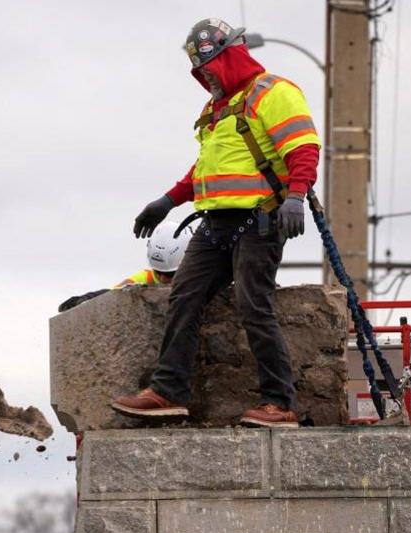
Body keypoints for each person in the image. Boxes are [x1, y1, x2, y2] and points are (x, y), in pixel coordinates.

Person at [110, 18, 322, 428]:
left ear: (227, 55)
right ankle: (168, 392)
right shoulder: (216, 109)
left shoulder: (273, 93)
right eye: (199, 72)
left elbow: (303, 147)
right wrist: (167, 201)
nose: (204, 77)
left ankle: (280, 403)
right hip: (215, 222)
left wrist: (295, 195)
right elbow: (206, 169)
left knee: (252, 303)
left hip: (260, 218)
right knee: (184, 295)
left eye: (207, 67)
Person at [57, 221, 190, 313]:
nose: (162, 278)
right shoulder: (148, 277)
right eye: (158, 271)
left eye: (169, 274)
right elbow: (117, 292)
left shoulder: (198, 276)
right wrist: (90, 297)